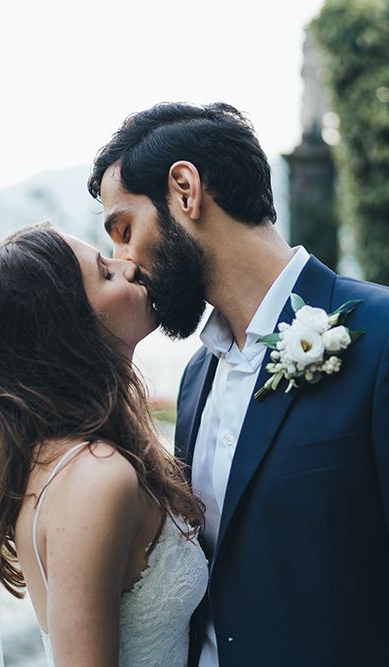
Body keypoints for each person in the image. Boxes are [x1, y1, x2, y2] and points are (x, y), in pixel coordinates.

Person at [87, 101, 389, 667]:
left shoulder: (382, 337)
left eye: (124, 229)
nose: (123, 262)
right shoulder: (197, 379)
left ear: (184, 190)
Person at [0, 222, 208, 666]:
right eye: (105, 274)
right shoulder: (94, 475)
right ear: (67, 330)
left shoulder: (64, 458)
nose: (127, 266)